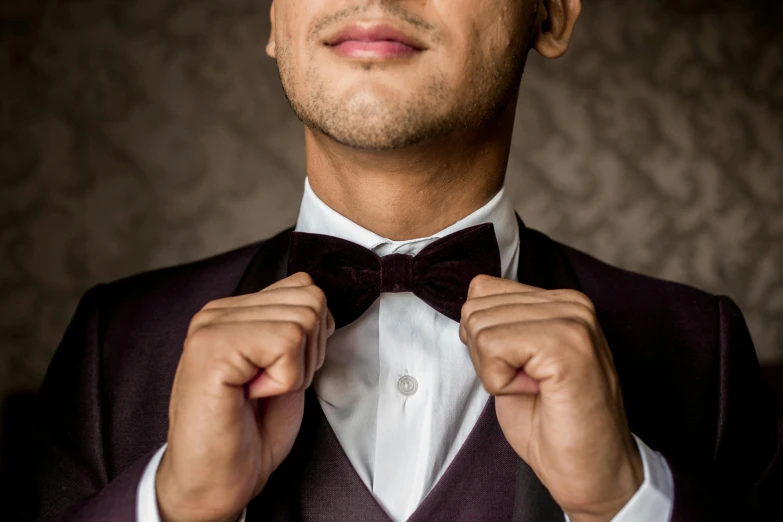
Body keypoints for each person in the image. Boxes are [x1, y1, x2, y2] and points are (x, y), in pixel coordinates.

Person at [23, 0, 782, 521]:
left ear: (550, 13)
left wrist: (626, 502)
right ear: (274, 19)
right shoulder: (109, 346)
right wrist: (177, 506)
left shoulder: (699, 349)